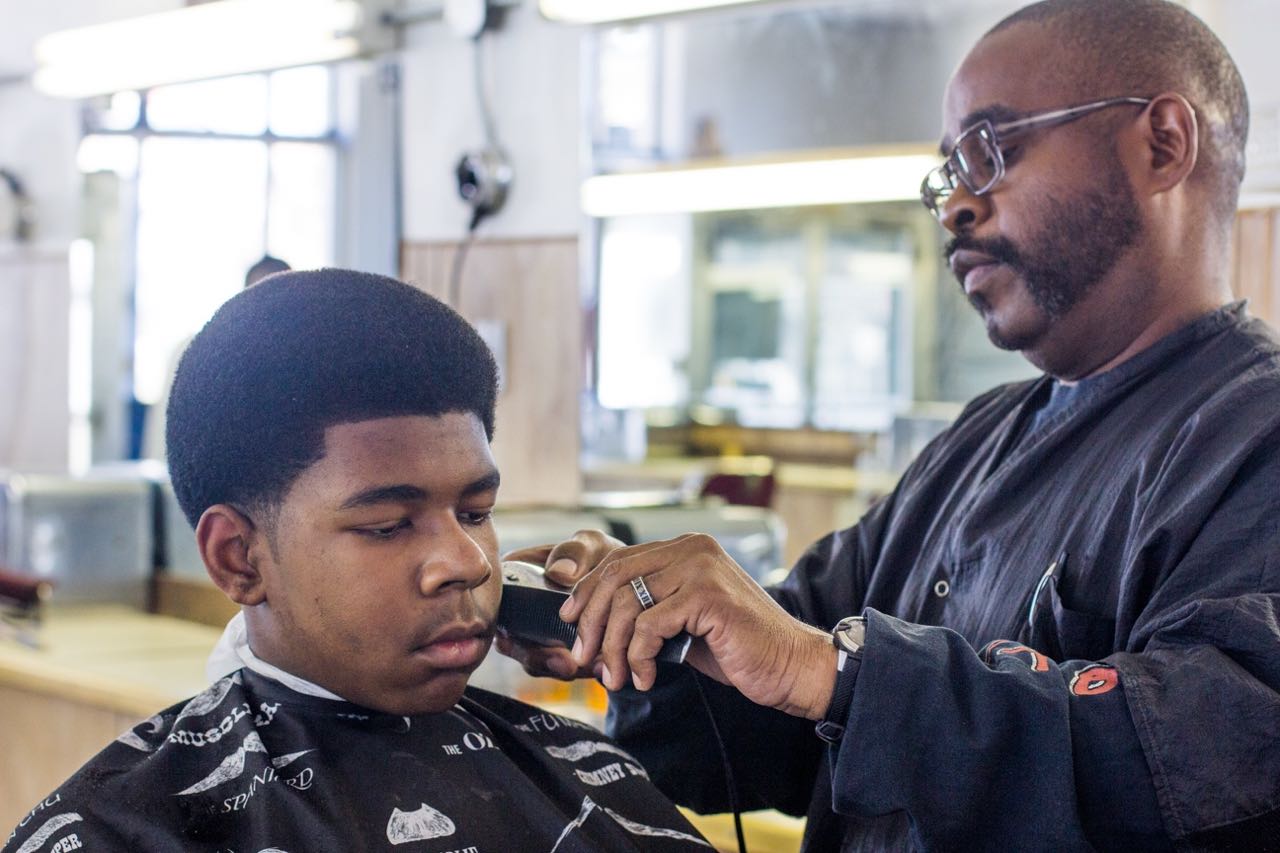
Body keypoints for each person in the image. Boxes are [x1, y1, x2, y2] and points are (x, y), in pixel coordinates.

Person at [500, 1, 1280, 849]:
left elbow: (1217, 759)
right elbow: (787, 712)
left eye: (992, 150)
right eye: (949, 174)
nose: (955, 209)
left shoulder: (1252, 439)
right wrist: (647, 638)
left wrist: (826, 668)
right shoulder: (976, 442)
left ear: (1163, 142)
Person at [5, 270, 710, 851]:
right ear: (237, 558)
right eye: (387, 525)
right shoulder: (115, 834)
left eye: (475, 511)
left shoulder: (583, 776)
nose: (464, 561)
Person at [143, 254, 292, 461]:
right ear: (244, 297)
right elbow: (163, 435)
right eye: (262, 295)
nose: (271, 308)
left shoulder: (294, 361)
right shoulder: (198, 351)